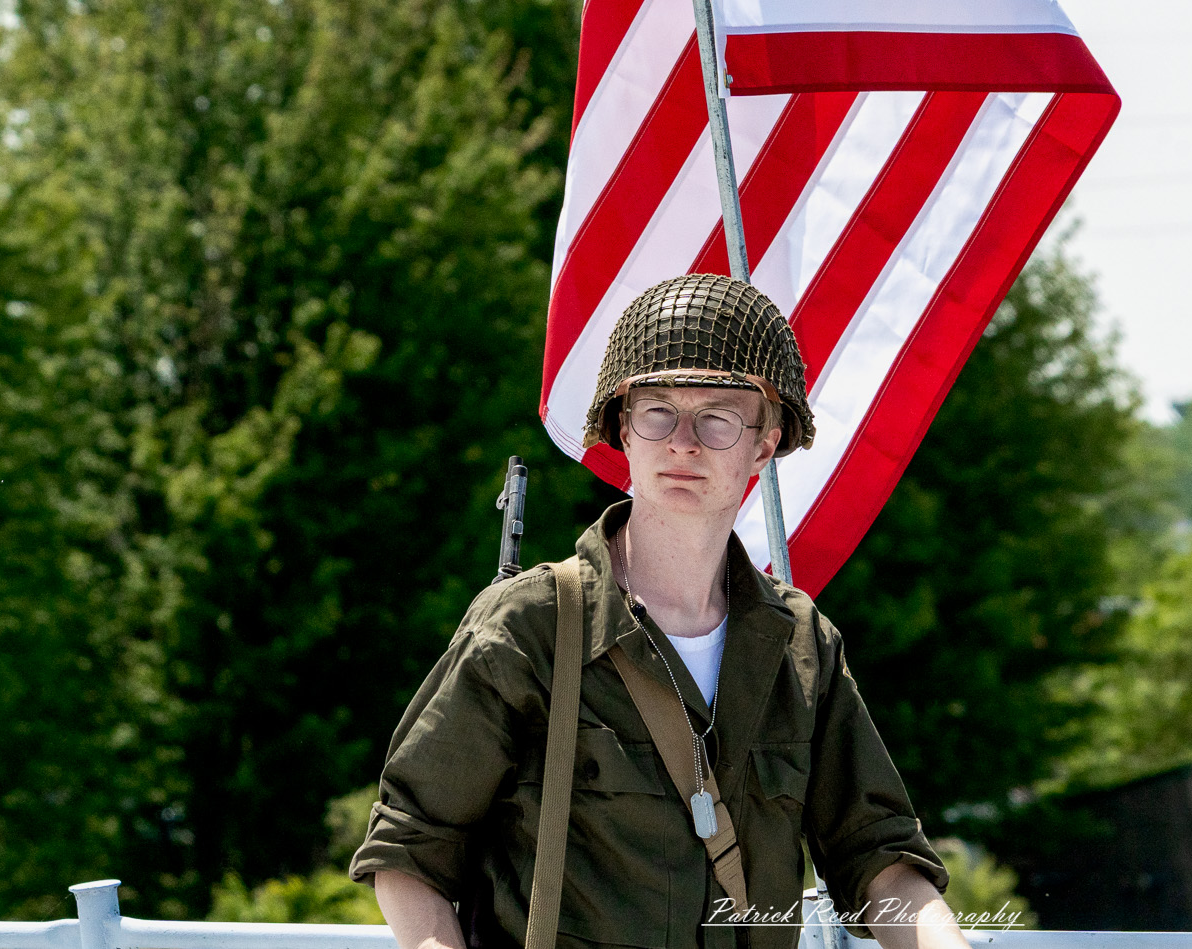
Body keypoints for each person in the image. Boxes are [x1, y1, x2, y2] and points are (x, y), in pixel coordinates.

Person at [351, 275, 968, 949]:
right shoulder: (530, 627)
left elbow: (879, 859)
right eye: (657, 411)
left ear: (764, 442)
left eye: (718, 416)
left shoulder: (798, 646)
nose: (683, 441)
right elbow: (409, 852)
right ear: (623, 427)